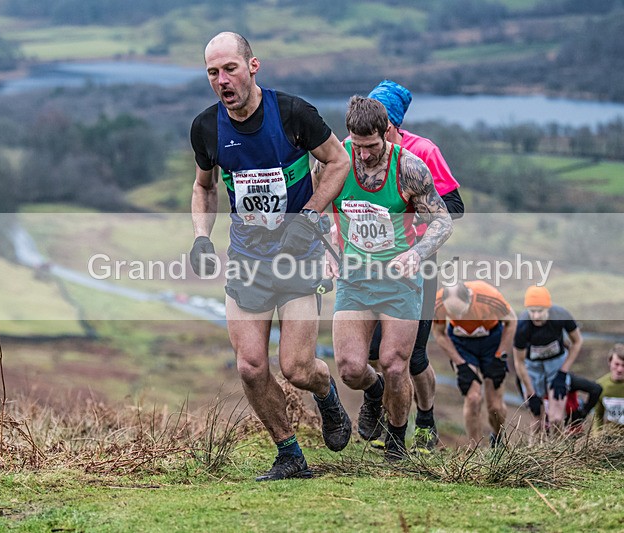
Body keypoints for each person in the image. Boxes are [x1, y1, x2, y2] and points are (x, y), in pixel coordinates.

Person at [189, 32, 352, 481]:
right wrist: (201, 237)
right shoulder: (206, 128)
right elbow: (204, 186)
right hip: (247, 259)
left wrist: (310, 214)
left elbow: (339, 162)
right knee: (250, 366)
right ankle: (290, 454)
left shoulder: (293, 113)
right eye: (213, 73)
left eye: (230, 69)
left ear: (253, 66)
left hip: (297, 255)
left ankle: (326, 393)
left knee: (296, 367)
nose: (222, 80)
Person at [319, 96, 453, 461]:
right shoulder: (335, 162)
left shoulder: (409, 167)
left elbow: (442, 221)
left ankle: (396, 441)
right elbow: (314, 209)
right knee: (350, 369)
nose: (363, 155)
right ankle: (374, 391)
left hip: (399, 281)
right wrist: (327, 248)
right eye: (357, 146)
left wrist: (417, 253)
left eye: (372, 146)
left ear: (387, 133)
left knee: (395, 364)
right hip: (355, 280)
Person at [360, 80, 464, 451]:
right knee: (373, 352)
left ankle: (424, 423)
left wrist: (409, 215)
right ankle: (388, 415)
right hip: (370, 263)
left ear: (392, 124)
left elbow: (455, 207)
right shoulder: (356, 149)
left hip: (418, 262)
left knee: (412, 356)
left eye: (380, 122)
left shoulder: (423, 151)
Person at [431, 281, 516, 447]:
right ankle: (474, 449)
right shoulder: (438, 303)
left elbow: (511, 321)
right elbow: (439, 334)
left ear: (469, 298)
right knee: (473, 398)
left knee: (494, 405)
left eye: (461, 311)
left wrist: (500, 355)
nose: (459, 317)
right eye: (453, 313)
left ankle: (497, 438)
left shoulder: (489, 297)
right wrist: (460, 364)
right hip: (462, 344)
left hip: (492, 342)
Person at [513, 285, 583, 437]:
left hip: (556, 365)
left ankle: (558, 448)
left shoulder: (561, 315)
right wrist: (531, 394)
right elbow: (519, 362)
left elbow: (577, 342)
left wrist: (563, 372)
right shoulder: (522, 326)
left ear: (548, 308)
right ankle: (532, 449)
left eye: (540, 311)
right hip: (532, 368)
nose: (536, 316)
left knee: (556, 418)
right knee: (537, 420)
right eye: (532, 311)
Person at [593, 343, 624, 431]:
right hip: (612, 434)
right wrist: (597, 435)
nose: (620, 369)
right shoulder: (600, 386)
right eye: (616, 364)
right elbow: (597, 417)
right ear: (609, 363)